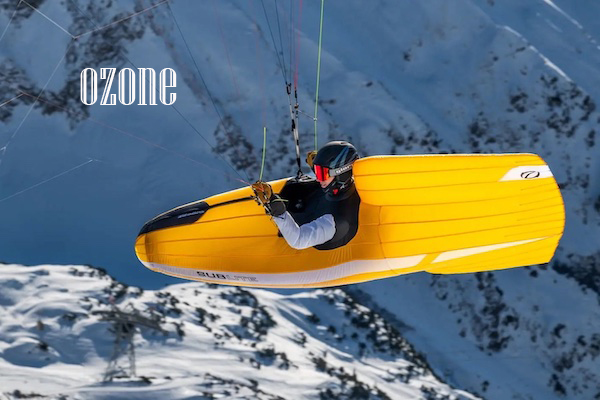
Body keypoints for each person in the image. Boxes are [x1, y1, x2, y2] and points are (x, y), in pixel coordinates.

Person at [253, 141, 361, 250]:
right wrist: (319, 169)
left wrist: (278, 212)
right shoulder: (338, 187)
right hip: (317, 205)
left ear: (341, 174)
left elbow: (298, 240)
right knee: (296, 187)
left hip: (304, 229)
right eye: (317, 172)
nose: (318, 179)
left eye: (322, 174)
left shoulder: (339, 221)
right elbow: (328, 176)